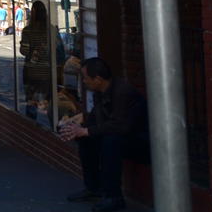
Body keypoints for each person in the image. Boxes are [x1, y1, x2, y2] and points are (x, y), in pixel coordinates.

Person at [58, 57, 149, 212]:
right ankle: (94, 188)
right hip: (122, 135)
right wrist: (76, 129)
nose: (84, 81)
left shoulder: (122, 92)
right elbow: (96, 120)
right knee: (87, 140)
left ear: (98, 79)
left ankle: (114, 196)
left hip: (141, 140)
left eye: (86, 78)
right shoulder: (99, 92)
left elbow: (121, 126)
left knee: (111, 142)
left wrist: (86, 130)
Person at [19, 0, 54, 110]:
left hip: (31, 71)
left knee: (31, 102)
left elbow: (24, 51)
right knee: (45, 103)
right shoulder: (51, 30)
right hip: (47, 71)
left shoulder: (28, 31)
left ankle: (31, 119)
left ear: (33, 13)